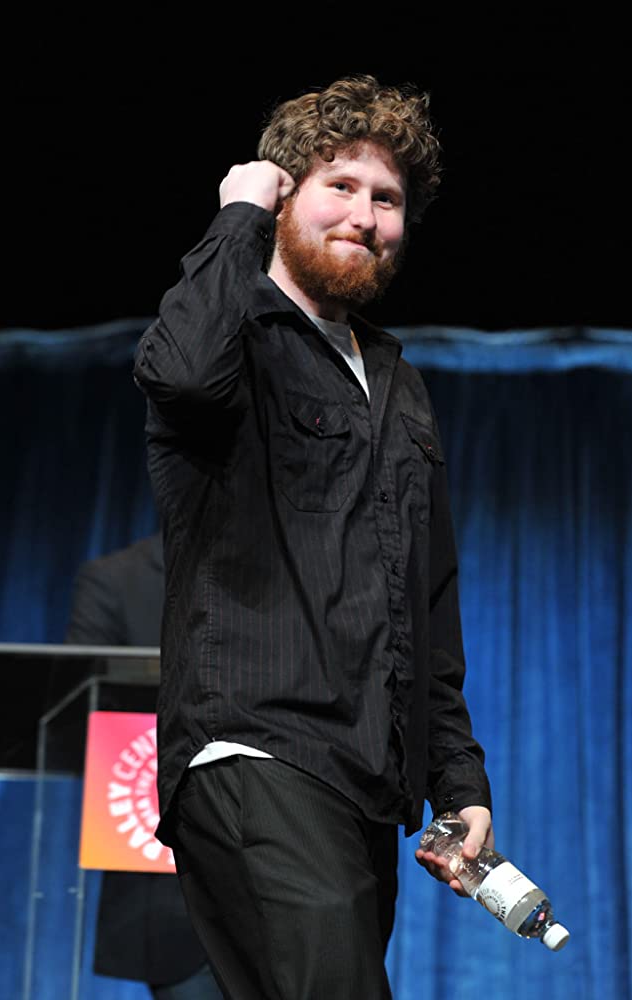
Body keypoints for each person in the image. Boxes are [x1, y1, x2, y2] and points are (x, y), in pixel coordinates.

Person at [133, 74, 493, 999]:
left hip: (364, 783)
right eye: (340, 185)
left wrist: (458, 782)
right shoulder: (235, 332)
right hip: (256, 749)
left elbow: (426, 601)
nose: (365, 216)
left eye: (387, 199)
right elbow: (178, 377)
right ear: (285, 192)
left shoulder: (397, 383)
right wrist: (239, 215)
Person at [66, 534, 224, 999]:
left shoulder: (285, 574)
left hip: (284, 884)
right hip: (170, 898)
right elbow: (76, 714)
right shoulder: (116, 580)